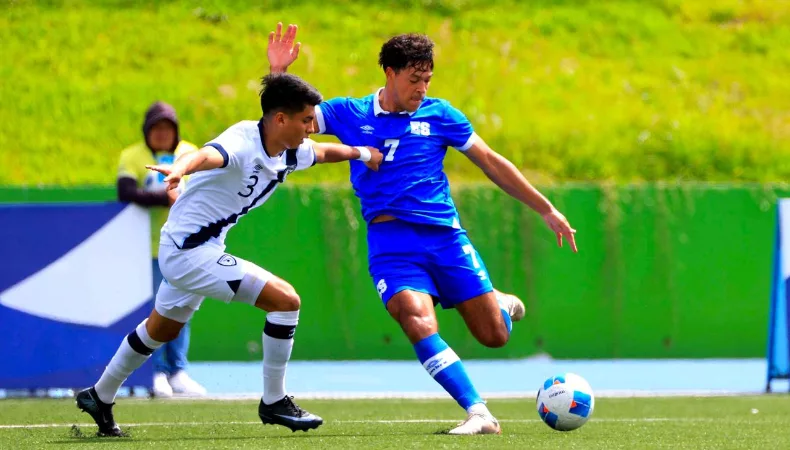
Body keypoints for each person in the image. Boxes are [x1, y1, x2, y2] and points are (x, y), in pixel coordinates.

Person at [268, 23, 578, 435]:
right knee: (415, 319)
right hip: (391, 245)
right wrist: (278, 74)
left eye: (428, 79)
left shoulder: (441, 115)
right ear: (390, 73)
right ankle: (479, 413)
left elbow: (490, 162)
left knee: (493, 336)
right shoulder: (349, 113)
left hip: (444, 238)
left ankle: (500, 304)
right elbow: (288, 124)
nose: (422, 88)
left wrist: (546, 209)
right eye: (414, 79)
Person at [76, 72, 383, 437]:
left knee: (161, 329)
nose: (312, 127)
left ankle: (99, 395)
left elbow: (325, 153)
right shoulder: (242, 141)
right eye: (305, 120)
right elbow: (208, 155)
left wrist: (363, 153)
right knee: (286, 301)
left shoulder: (289, 149)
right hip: (188, 252)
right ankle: (274, 400)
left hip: (199, 248)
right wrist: (180, 168)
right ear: (280, 119)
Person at [117, 101, 207, 398]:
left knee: (183, 309)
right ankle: (153, 371)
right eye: (156, 127)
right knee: (154, 312)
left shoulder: (189, 152)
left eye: (167, 127)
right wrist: (164, 198)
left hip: (186, 247)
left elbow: (202, 190)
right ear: (146, 131)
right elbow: (125, 192)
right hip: (147, 248)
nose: (161, 133)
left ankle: (177, 370)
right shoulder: (132, 156)